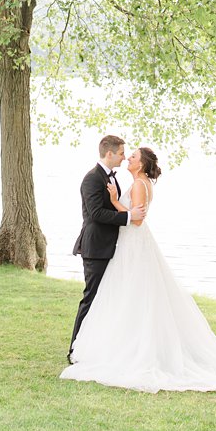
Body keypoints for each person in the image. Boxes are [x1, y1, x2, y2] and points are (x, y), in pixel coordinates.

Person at [62, 144, 216, 393]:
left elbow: (137, 219)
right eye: (124, 154)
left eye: (132, 156)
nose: (127, 158)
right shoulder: (115, 180)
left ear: (140, 164)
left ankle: (124, 349)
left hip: (133, 245)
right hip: (120, 246)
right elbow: (110, 213)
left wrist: (115, 202)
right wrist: (119, 205)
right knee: (121, 296)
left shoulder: (140, 184)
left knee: (132, 296)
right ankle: (97, 345)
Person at [68, 135, 144, 364]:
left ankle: (97, 346)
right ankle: (74, 349)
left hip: (112, 247)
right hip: (95, 247)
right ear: (109, 153)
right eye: (121, 153)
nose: (123, 157)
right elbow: (96, 214)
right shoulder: (92, 179)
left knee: (107, 299)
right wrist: (129, 216)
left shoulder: (112, 177)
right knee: (91, 298)